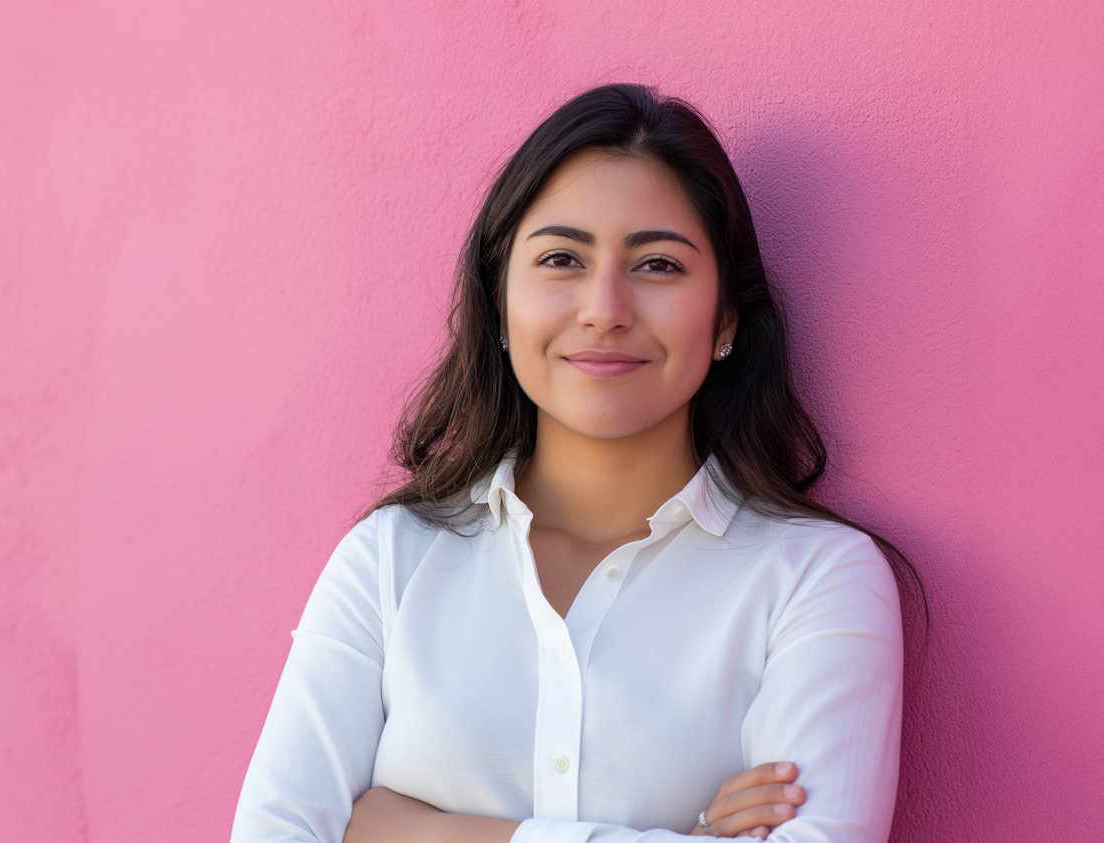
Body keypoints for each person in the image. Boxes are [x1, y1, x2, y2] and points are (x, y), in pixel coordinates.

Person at [230, 84, 920, 843]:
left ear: (725, 318)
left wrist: (405, 830)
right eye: (562, 258)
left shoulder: (817, 579)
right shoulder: (387, 561)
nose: (605, 307)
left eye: (658, 265)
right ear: (499, 302)